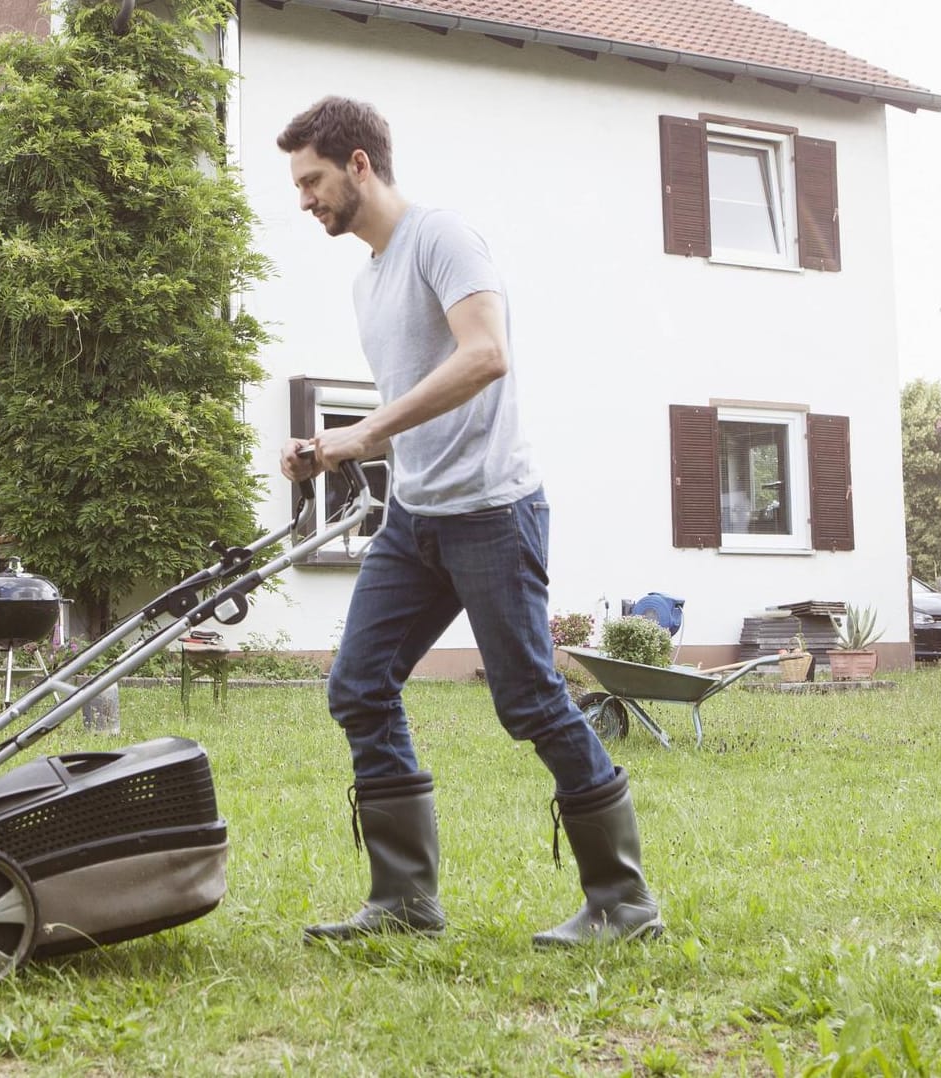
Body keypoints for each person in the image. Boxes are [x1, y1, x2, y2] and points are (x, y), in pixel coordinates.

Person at [276, 97, 662, 948]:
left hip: (492, 511)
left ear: (359, 164)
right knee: (358, 684)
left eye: (311, 180)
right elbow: (413, 393)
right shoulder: (365, 278)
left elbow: (483, 355)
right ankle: (405, 900)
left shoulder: (442, 238)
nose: (304, 199)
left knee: (528, 700)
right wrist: (328, 449)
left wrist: (366, 433)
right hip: (414, 520)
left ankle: (623, 902)